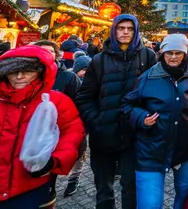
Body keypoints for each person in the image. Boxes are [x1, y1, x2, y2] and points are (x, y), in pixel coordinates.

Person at [122, 34, 188, 209]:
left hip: (184, 148)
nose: (173, 57)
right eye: (169, 53)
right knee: (149, 204)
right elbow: (128, 105)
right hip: (151, 149)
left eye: (177, 53)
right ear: (162, 54)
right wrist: (141, 117)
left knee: (184, 194)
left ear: (185, 54)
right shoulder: (148, 77)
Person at [76, 14, 157, 209]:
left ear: (135, 31)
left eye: (130, 28)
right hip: (103, 136)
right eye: (121, 28)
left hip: (134, 135)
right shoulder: (98, 60)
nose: (125, 32)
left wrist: (143, 119)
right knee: (104, 191)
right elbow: (85, 97)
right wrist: (97, 120)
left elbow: (154, 94)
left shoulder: (147, 56)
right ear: (114, 30)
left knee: (130, 188)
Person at [0, 45, 85, 208]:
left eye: (27, 72)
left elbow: (73, 133)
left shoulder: (56, 101)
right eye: (13, 71)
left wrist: (54, 161)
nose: (19, 77)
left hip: (29, 187)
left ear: (41, 72)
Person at [63, 55, 93, 197]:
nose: (86, 73)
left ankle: (74, 178)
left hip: (83, 123)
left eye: (89, 69)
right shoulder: (68, 80)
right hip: (67, 122)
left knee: (79, 152)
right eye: (83, 70)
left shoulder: (94, 81)